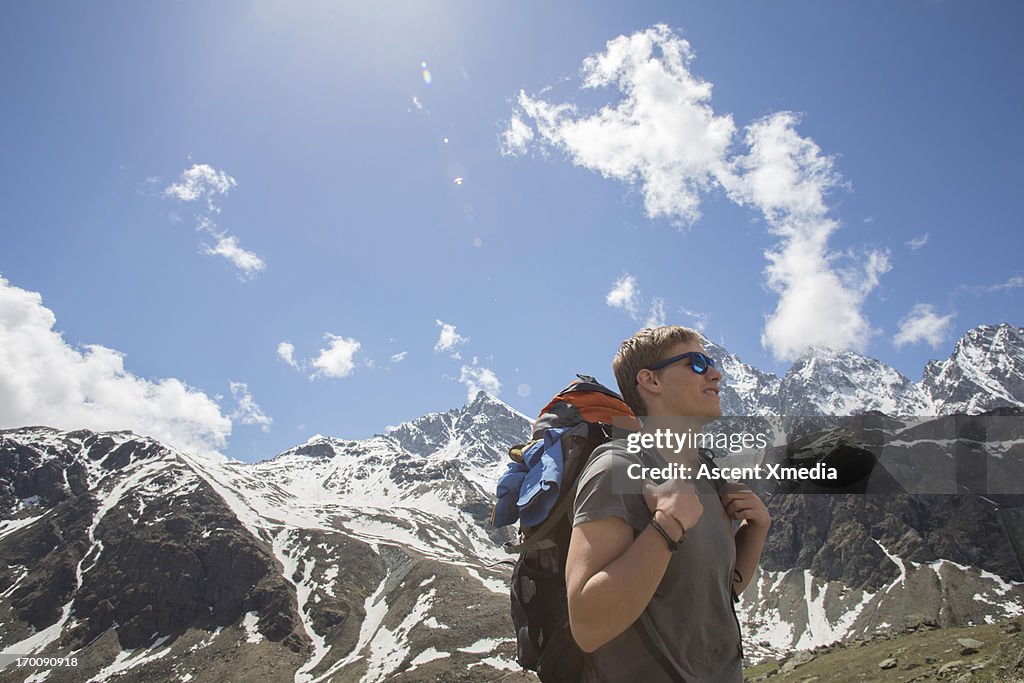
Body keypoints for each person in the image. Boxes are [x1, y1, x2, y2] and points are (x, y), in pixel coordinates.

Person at [566, 325, 770, 682]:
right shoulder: (618, 467)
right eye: (696, 362)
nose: (715, 373)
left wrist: (757, 530)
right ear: (651, 381)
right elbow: (587, 625)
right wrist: (668, 527)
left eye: (712, 362)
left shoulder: (708, 474)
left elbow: (710, 593)